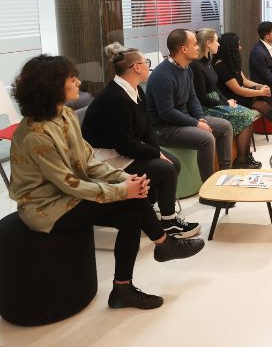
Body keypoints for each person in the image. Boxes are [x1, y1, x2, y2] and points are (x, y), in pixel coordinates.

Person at [9, 55, 205, 310]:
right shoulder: (36, 135)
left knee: (132, 212)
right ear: (53, 86)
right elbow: (69, 183)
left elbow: (88, 161)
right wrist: (122, 191)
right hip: (47, 208)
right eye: (72, 79)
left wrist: (126, 179)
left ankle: (124, 287)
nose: (79, 82)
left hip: (68, 196)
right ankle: (162, 245)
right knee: (132, 203)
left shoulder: (65, 115)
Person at [82, 43, 200, 238]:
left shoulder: (135, 90)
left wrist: (157, 151)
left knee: (172, 162)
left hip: (122, 149)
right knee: (165, 168)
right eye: (146, 62)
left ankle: (147, 207)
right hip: (105, 158)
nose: (148, 66)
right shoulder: (115, 98)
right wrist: (155, 153)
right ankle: (169, 222)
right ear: (136, 67)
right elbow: (125, 144)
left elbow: (146, 127)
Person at [146, 29, 234, 181]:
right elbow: (166, 113)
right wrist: (195, 123)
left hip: (184, 119)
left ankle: (225, 176)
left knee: (225, 126)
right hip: (163, 128)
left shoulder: (186, 68)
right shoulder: (162, 76)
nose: (198, 47)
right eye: (194, 44)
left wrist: (200, 118)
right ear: (183, 49)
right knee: (206, 138)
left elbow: (192, 98)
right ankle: (208, 185)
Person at [212, 31, 272, 142]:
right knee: (261, 101)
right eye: (238, 45)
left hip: (241, 93)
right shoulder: (221, 66)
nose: (240, 48)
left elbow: (245, 81)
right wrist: (260, 92)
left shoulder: (232, 62)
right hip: (231, 97)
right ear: (231, 49)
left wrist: (261, 86)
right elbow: (237, 89)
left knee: (263, 98)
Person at [190, 29, 262, 167]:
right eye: (216, 41)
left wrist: (226, 101)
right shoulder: (196, 66)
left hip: (216, 100)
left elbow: (215, 87)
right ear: (208, 43)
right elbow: (202, 97)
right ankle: (241, 159)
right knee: (245, 115)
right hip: (206, 107)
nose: (219, 44)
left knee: (247, 114)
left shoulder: (208, 62)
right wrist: (223, 102)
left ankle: (246, 156)